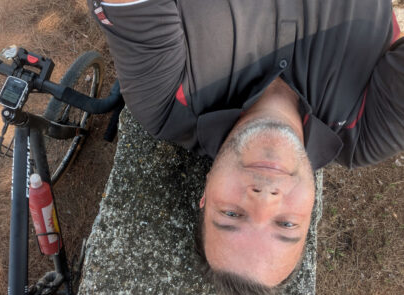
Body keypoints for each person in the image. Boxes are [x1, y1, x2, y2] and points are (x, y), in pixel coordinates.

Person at [88, 0, 404, 293]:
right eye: (286, 224)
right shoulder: (365, 133)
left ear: (205, 195)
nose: (264, 198)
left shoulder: (167, 102)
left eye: (232, 214)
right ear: (310, 217)